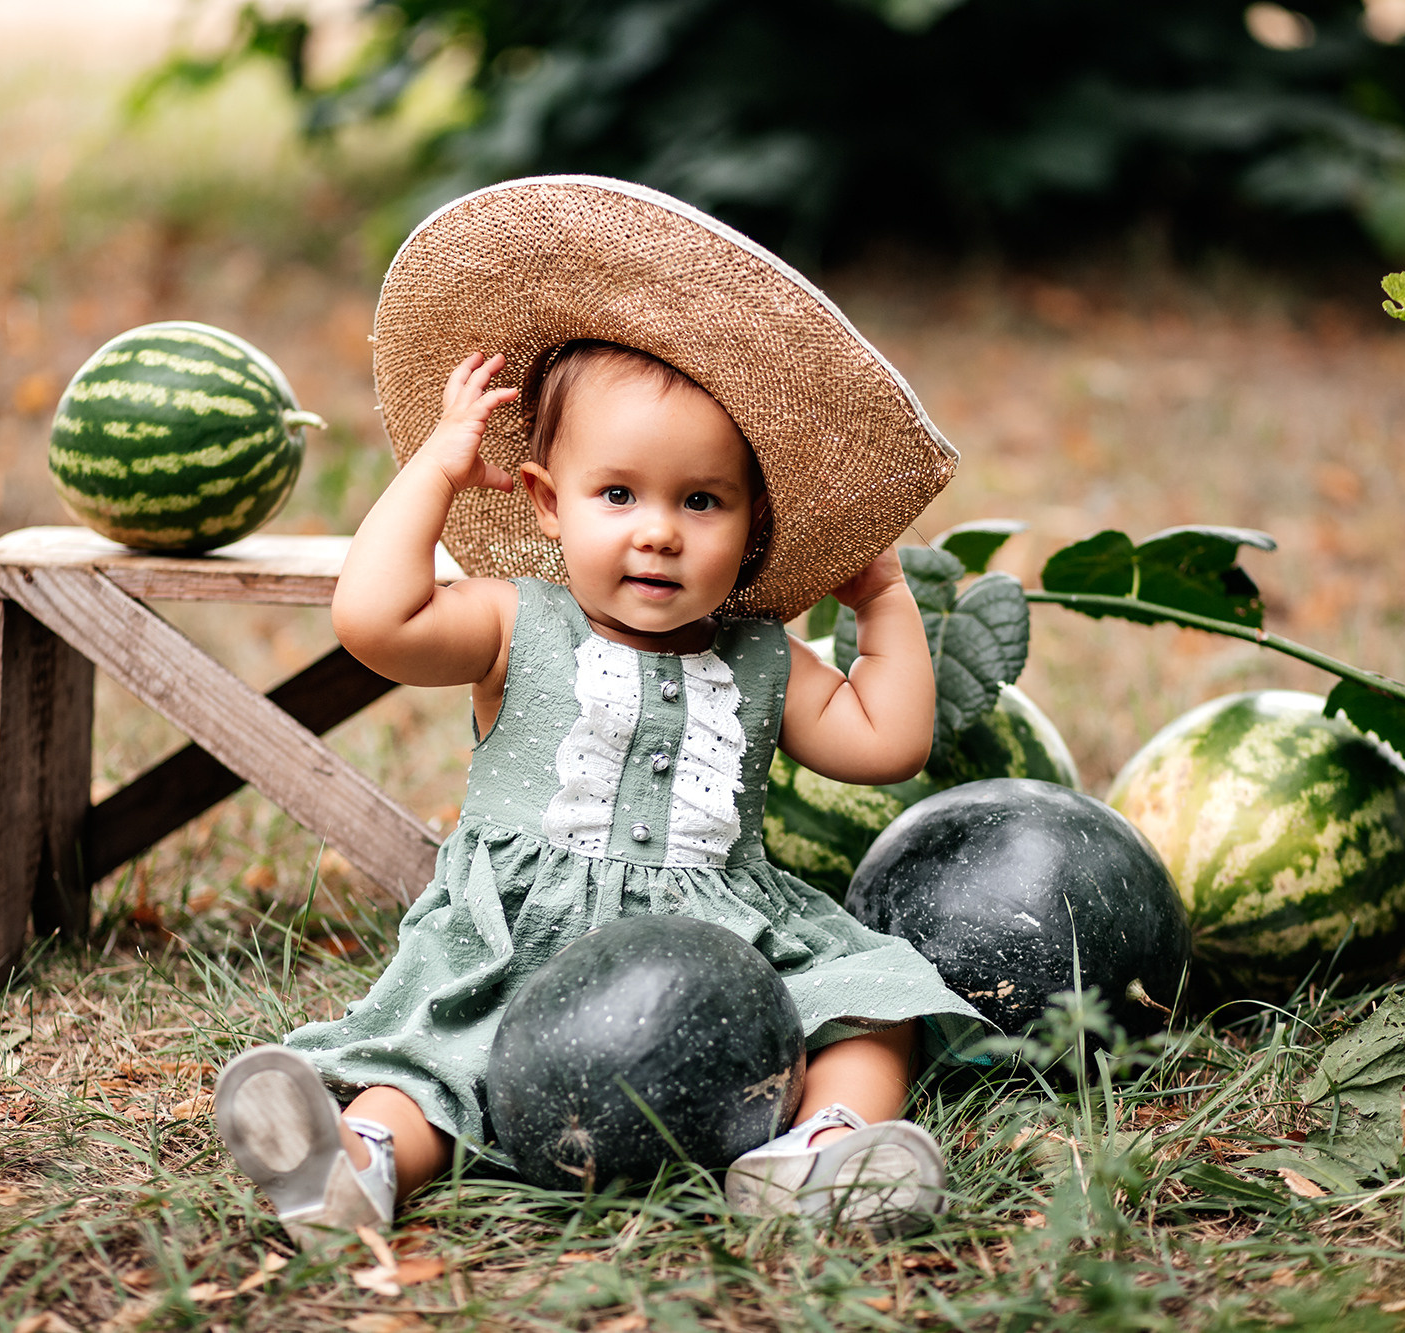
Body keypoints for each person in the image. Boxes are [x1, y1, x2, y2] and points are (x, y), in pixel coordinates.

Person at [209, 176, 989, 1248]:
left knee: (869, 1000)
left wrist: (885, 601)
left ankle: (819, 1150)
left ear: (752, 528)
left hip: (721, 934)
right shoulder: (509, 622)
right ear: (545, 501)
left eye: (700, 501)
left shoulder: (763, 655)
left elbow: (885, 739)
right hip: (526, 935)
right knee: (446, 1055)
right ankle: (355, 1161)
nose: (657, 533)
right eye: (617, 494)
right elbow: (374, 620)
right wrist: (434, 471)